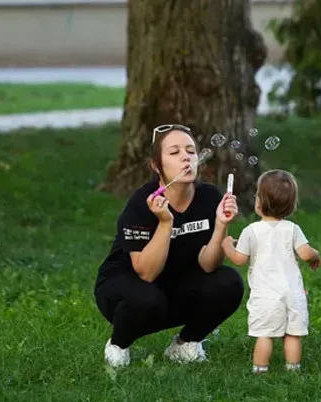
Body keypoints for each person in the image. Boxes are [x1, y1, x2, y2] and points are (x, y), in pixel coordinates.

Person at [94, 124, 244, 368]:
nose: (186, 157)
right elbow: (146, 271)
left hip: (176, 283)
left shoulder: (209, 198)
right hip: (126, 288)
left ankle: (185, 345)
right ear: (156, 165)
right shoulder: (142, 204)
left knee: (228, 282)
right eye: (174, 153)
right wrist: (165, 223)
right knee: (148, 300)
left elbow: (208, 266)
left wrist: (220, 225)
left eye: (191, 151)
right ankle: (118, 344)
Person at [221, 170, 321, 374]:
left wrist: (227, 246)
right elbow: (305, 253)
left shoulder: (251, 231)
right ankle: (293, 368)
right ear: (291, 204)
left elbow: (240, 259)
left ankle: (260, 369)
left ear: (259, 202)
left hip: (266, 297)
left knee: (265, 335)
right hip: (293, 294)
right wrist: (315, 255)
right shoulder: (292, 229)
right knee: (293, 335)